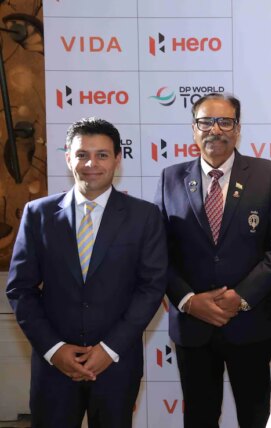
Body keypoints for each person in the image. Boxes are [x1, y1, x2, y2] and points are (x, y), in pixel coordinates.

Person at [6, 117, 167, 427]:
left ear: (117, 159)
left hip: (116, 364)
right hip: (54, 367)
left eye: (102, 155)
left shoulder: (144, 216)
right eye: (82, 155)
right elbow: (20, 289)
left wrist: (109, 349)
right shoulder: (38, 214)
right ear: (68, 158)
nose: (91, 163)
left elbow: (151, 287)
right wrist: (54, 349)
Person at [154, 93, 271, 428]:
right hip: (193, 326)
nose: (215, 129)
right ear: (194, 129)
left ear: (237, 129)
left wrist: (240, 297)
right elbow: (158, 252)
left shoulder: (266, 174)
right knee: (198, 418)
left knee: (255, 416)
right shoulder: (170, 178)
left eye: (225, 122)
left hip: (251, 322)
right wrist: (188, 300)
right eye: (205, 122)